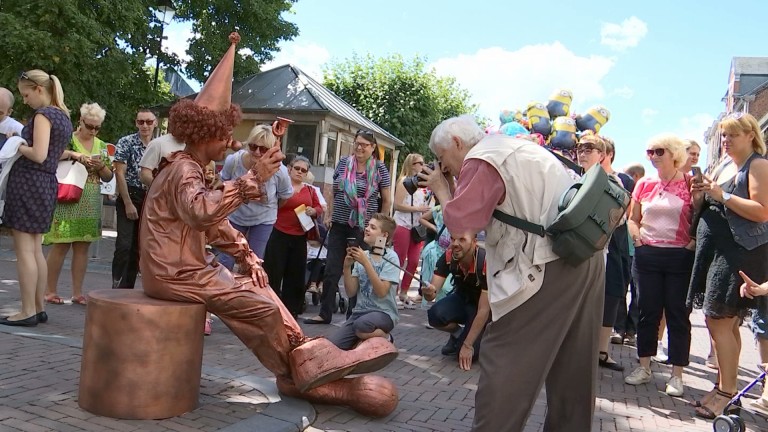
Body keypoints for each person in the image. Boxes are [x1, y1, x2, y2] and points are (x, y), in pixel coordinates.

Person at [139, 33, 399, 417]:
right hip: (174, 272)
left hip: (191, 267)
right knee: (257, 308)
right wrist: (252, 180)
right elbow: (200, 212)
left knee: (260, 287)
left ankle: (303, 360)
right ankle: (306, 369)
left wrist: (246, 255)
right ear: (205, 134)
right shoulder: (182, 170)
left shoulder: (194, 168)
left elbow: (210, 226)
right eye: (225, 135)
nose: (230, 143)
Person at [420, 115, 604, 431]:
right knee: (573, 370)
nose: (444, 168)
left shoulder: (482, 158)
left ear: (457, 143)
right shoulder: (517, 149)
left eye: (442, 159)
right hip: (586, 256)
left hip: (545, 264)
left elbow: (462, 228)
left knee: (505, 358)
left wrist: (440, 189)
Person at [687, 112, 768, 419]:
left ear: (751, 135)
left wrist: (723, 194)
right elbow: (710, 205)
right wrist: (700, 196)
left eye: (733, 134)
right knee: (720, 322)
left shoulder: (758, 165)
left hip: (738, 254)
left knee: (720, 320)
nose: (726, 140)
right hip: (715, 251)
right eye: (723, 134)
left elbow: (762, 212)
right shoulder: (722, 165)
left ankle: (727, 393)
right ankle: (724, 387)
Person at [623, 134, 694, 398]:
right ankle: (644, 366)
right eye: (649, 151)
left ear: (674, 153)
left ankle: (677, 374)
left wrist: (693, 243)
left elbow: (699, 217)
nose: (653, 156)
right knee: (647, 311)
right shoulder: (644, 183)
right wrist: (638, 240)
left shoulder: (689, 183)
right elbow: (633, 218)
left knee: (677, 314)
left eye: (659, 151)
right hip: (648, 255)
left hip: (679, 256)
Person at [1, 70, 72, 327]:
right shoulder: (63, 116)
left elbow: (39, 153)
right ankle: (38, 308)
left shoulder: (43, 115)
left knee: (25, 251)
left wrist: (16, 143)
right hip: (45, 184)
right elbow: (53, 154)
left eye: (26, 94)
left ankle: (27, 309)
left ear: (39, 90)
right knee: (36, 250)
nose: (25, 100)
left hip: (29, 182)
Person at [303, 129, 392, 325]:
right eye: (357, 143)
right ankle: (325, 312)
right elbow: (335, 191)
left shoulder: (379, 168)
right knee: (332, 268)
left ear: (373, 147)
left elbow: (386, 200)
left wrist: (381, 227)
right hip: (339, 224)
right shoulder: (344, 163)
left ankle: (355, 315)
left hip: (364, 228)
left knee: (359, 269)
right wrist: (329, 215)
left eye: (365, 145)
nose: (360, 147)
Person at [43, 103, 113, 306]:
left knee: (83, 247)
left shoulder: (101, 145)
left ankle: (77, 293)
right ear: (80, 121)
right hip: (68, 196)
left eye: (96, 127)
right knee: (61, 245)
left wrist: (101, 167)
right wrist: (75, 155)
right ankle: (50, 290)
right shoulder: (69, 139)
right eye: (89, 126)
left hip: (90, 197)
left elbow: (109, 177)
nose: (92, 131)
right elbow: (51, 156)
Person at [576, 132, 630, 373]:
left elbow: (619, 218)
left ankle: (601, 351)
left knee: (606, 299)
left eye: (590, 149)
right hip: (576, 249)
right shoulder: (571, 176)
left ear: (603, 155)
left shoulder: (614, 182)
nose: (583, 153)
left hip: (602, 250)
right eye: (580, 148)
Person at [218, 124, 293, 263]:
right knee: (225, 260)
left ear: (270, 150)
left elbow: (285, 197)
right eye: (253, 146)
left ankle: (250, 285)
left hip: (263, 220)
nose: (257, 152)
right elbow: (221, 186)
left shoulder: (279, 170)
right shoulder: (234, 161)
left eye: (263, 149)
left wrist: (270, 208)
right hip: (235, 216)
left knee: (254, 262)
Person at [328, 213, 400, 349]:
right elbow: (351, 292)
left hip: (384, 313)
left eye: (373, 227)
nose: (366, 229)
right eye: (368, 225)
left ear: (384, 235)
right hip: (360, 313)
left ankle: (387, 337)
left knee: (361, 326)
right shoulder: (363, 255)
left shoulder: (391, 257)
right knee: (332, 347)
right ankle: (362, 338)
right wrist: (347, 266)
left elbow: (381, 292)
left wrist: (366, 263)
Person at [263, 156, 323, 318]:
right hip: (279, 233)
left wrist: (314, 211)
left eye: (304, 170)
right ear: (289, 168)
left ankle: (291, 311)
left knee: (295, 274)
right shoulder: (282, 186)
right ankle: (270, 307)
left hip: (299, 236)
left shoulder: (310, 190)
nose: (300, 172)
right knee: (274, 272)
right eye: (297, 168)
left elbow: (319, 207)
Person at [424, 233, 489, 371]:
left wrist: (467, 345)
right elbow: (433, 292)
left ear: (474, 242)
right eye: (453, 239)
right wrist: (428, 293)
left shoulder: (485, 261)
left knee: (470, 353)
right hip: (462, 298)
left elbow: (484, 310)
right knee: (435, 315)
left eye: (462, 239)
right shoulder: (448, 256)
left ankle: (479, 337)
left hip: (481, 306)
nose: (455, 244)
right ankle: (457, 335)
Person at [112, 108, 157, 288]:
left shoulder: (158, 145)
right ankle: (117, 284)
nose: (144, 126)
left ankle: (128, 288)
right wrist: (128, 203)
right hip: (129, 194)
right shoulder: (126, 142)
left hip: (150, 197)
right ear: (136, 123)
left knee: (139, 247)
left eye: (148, 122)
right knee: (124, 245)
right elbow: (119, 174)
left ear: (155, 123)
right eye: (141, 122)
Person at [392, 153, 430, 308]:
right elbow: (397, 205)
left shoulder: (422, 185)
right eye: (419, 163)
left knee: (414, 261)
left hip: (416, 227)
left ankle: (404, 292)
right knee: (399, 260)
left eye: (423, 162)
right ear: (412, 165)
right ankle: (392, 292)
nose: (422, 165)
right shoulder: (404, 182)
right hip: (402, 224)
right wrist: (417, 209)